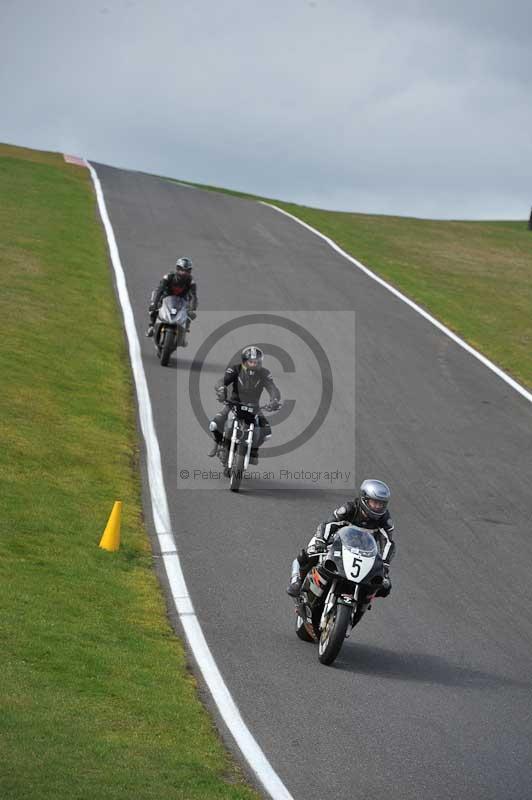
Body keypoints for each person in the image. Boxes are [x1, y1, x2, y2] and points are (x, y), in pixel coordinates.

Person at [286, 479, 396, 598]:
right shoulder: (350, 509)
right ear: (364, 499)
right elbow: (328, 524)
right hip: (337, 544)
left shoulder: (385, 520)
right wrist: (321, 541)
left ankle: (362, 603)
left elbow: (388, 543)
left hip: (363, 552)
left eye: (381, 504)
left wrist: (384, 565)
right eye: (374, 503)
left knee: (384, 586)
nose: (378, 507)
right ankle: (296, 581)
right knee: (308, 554)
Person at [208, 346, 282, 464]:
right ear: (244, 361)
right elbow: (222, 381)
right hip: (233, 403)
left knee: (267, 433)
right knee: (214, 424)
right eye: (251, 362)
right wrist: (221, 389)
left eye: (257, 362)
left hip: (254, 407)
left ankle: (253, 450)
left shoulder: (264, 373)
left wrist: (274, 400)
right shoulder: (235, 369)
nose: (254, 364)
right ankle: (217, 442)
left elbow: (272, 388)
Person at [146, 257, 198, 338]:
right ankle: (152, 326)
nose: (184, 273)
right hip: (166, 296)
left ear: (190, 271)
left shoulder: (191, 282)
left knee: (189, 313)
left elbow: (193, 297)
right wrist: (154, 303)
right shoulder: (168, 277)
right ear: (177, 269)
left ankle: (184, 330)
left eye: (187, 271)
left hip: (182, 299)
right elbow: (160, 290)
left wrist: (193, 309)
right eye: (182, 270)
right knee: (153, 307)